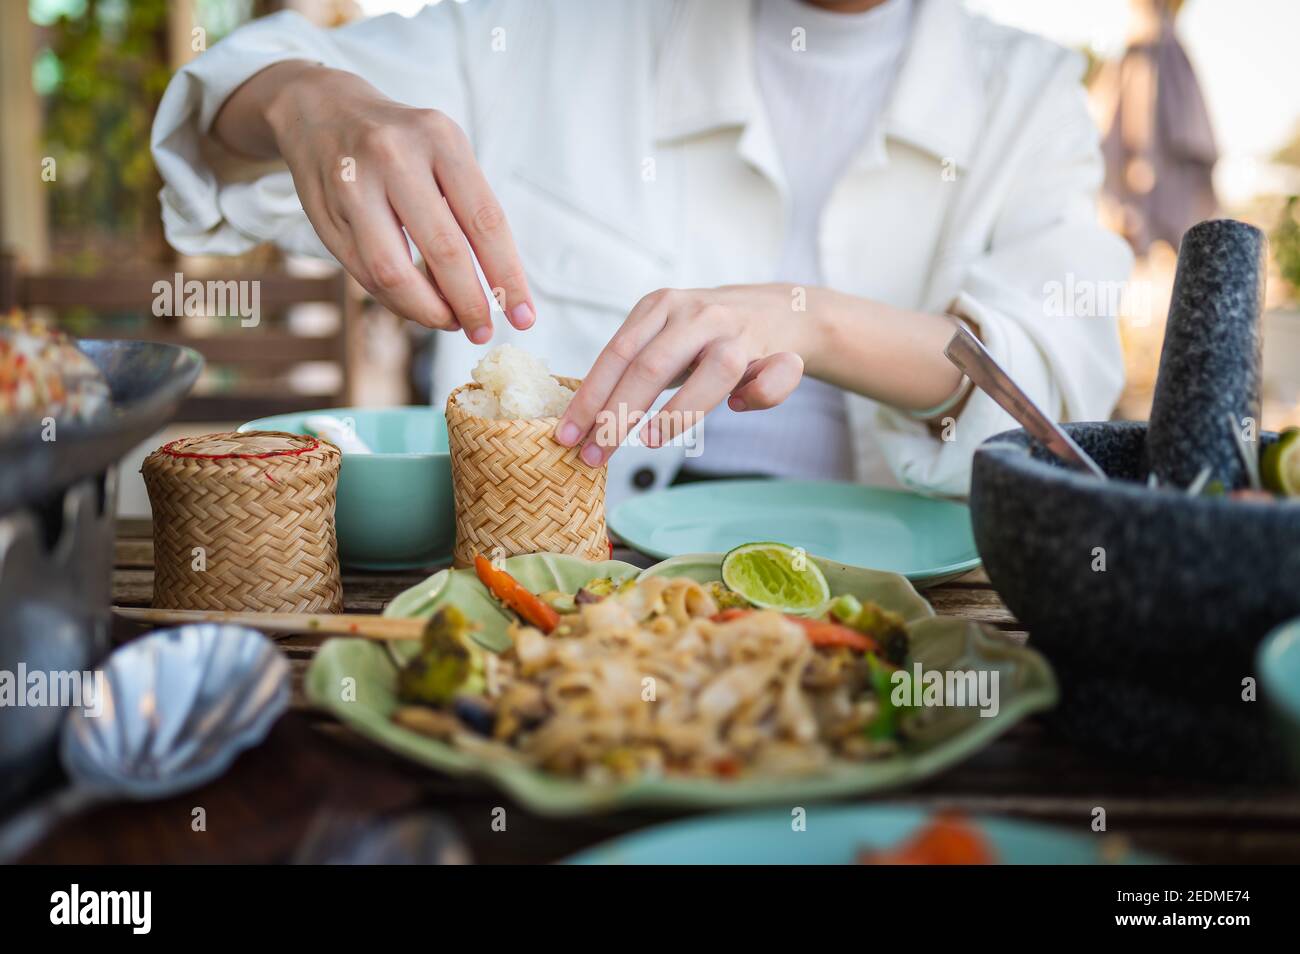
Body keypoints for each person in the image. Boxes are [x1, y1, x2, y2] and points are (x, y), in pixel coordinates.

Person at [151, 0, 1131, 501]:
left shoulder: (1027, 93)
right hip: (561, 619)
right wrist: (302, 101)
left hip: (913, 636)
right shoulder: (549, 31)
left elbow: (1053, 392)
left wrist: (807, 318)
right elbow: (228, 121)